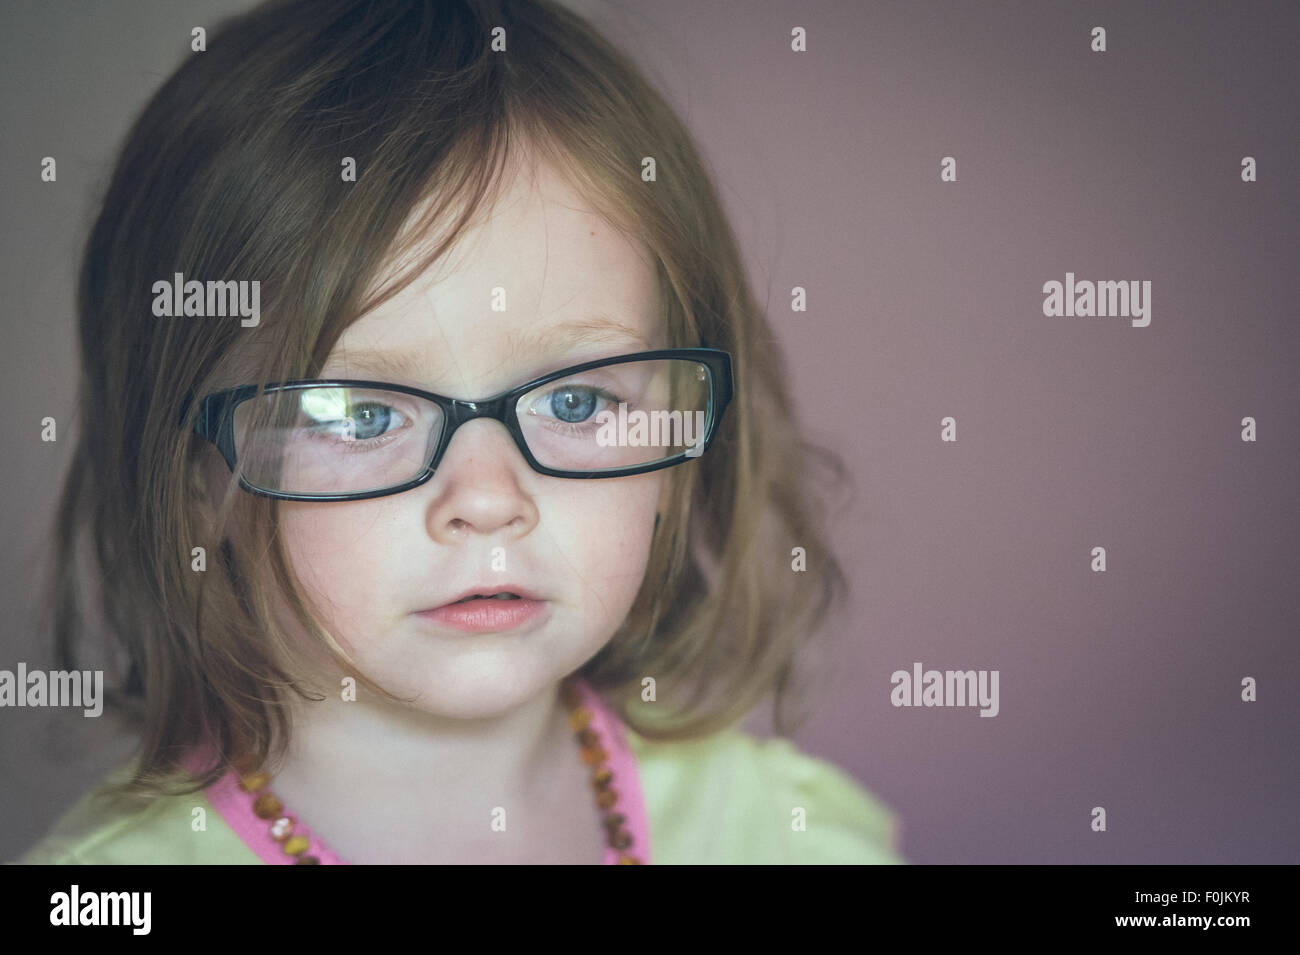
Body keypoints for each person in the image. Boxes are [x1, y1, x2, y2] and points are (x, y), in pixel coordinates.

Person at [14, 0, 902, 864]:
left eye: (577, 401)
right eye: (360, 414)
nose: (487, 500)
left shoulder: (785, 833)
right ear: (196, 477)